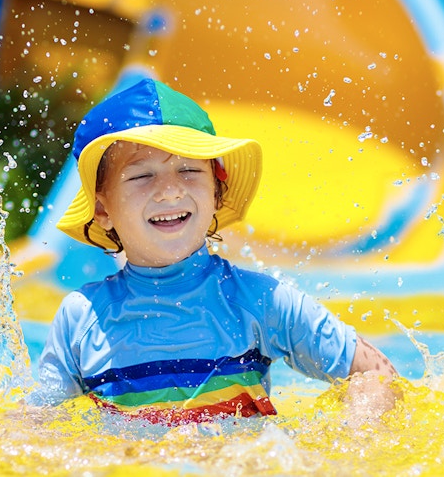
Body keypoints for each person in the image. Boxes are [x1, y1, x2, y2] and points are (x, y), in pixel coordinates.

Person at [37, 77, 399, 424]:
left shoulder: (261, 300)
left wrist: (356, 438)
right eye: (142, 175)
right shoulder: (83, 319)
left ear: (216, 193)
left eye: (189, 170)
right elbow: (40, 426)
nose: (170, 191)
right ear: (103, 210)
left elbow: (375, 372)